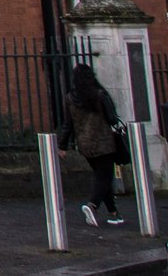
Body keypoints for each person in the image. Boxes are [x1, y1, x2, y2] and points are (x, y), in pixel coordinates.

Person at [62, 62, 127, 226]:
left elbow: (67, 125)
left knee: (101, 177)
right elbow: (112, 119)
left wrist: (61, 145)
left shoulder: (70, 99)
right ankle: (93, 205)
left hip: (84, 144)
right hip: (103, 141)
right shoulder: (99, 95)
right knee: (105, 177)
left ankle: (114, 213)